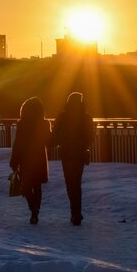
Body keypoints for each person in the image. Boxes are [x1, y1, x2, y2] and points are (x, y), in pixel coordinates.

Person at [53, 92, 94, 225]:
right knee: (77, 183)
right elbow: (91, 137)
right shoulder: (86, 117)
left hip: (66, 154)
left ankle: (74, 213)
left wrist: (51, 143)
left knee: (70, 184)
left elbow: (55, 134)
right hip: (80, 154)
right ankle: (77, 212)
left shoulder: (63, 116)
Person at [10, 97, 51, 225]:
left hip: (25, 158)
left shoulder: (22, 124)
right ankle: (35, 210)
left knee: (26, 185)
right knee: (37, 185)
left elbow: (18, 144)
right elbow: (49, 141)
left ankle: (33, 207)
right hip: (39, 158)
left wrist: (14, 161)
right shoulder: (44, 123)